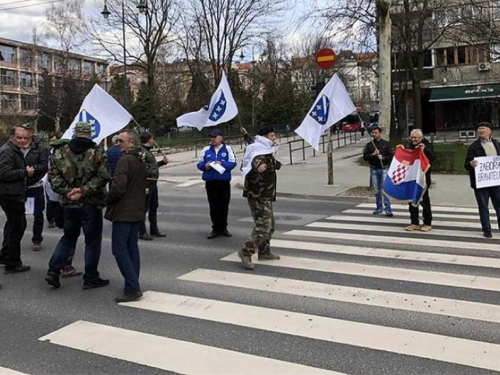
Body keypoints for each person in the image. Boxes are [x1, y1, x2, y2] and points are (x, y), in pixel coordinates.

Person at [45, 121, 111, 289]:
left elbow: (53, 177)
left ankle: (53, 272)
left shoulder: (60, 152)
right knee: (92, 241)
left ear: (75, 133)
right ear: (90, 134)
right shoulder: (97, 152)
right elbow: (103, 177)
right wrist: (83, 191)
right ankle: (90, 277)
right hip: (91, 203)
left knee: (68, 238)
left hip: (69, 204)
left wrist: (68, 191)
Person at [105, 130, 147, 303]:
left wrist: (105, 200)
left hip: (124, 211)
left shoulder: (125, 160)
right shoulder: (140, 159)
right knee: (131, 248)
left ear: (131, 143)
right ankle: (133, 283)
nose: (117, 143)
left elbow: (118, 187)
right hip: (137, 209)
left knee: (119, 249)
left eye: (120, 140)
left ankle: (132, 287)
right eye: (117, 140)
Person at [238, 125, 282, 270]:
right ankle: (245, 251)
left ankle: (264, 252)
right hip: (258, 195)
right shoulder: (259, 153)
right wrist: (259, 166)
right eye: (271, 136)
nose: (274, 138)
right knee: (264, 226)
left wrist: (245, 135)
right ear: (264, 138)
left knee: (270, 225)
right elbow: (256, 160)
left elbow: (252, 143)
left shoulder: (263, 148)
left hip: (265, 194)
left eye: (274, 136)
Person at [0, 126, 32, 274]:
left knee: (15, 225)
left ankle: (5, 255)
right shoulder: (7, 151)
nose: (22, 140)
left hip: (14, 193)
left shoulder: (13, 150)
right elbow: (4, 173)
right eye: (19, 137)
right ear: (12, 137)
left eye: (25, 138)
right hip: (10, 195)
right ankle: (12, 262)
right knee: (16, 228)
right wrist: (24, 172)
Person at [197, 129, 237, 239]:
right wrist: (205, 166)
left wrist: (222, 163)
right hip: (211, 181)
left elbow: (233, 163)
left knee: (223, 205)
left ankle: (223, 227)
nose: (212, 139)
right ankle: (215, 228)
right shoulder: (206, 150)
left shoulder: (227, 149)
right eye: (211, 137)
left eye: (215, 137)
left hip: (223, 181)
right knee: (213, 206)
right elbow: (199, 163)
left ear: (221, 138)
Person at [464, 122, 500, 238]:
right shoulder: (474, 147)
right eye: (479, 128)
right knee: (483, 206)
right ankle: (487, 229)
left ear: (489, 131)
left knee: (498, 205)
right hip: (481, 183)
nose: (480, 130)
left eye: (483, 128)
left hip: (495, 181)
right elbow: (466, 165)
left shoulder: (497, 144)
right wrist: (471, 163)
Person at [21, 124, 49, 252]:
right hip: (20, 185)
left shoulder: (40, 149)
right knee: (18, 214)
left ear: (31, 133)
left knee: (38, 213)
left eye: (26, 131)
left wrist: (33, 170)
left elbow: (44, 165)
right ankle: (15, 237)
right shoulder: (15, 147)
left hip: (35, 185)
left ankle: (37, 239)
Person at [139, 131, 169, 240]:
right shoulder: (142, 152)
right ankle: (141, 231)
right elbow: (141, 168)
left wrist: (162, 163)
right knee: (144, 207)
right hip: (146, 182)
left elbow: (151, 166)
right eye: (152, 139)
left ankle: (154, 229)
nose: (153, 141)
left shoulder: (148, 151)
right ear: (149, 140)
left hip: (153, 182)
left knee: (154, 206)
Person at [405, 129, 435, 232]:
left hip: (423, 178)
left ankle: (427, 222)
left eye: (415, 138)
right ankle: (414, 222)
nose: (413, 139)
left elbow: (432, 158)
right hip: (412, 178)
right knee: (412, 201)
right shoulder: (410, 146)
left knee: (424, 200)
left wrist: (424, 150)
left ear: (420, 138)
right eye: (412, 137)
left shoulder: (427, 145)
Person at [363, 125, 393, 217]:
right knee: (377, 190)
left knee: (385, 189)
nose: (374, 134)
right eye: (373, 133)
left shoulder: (386, 144)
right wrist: (372, 154)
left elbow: (391, 156)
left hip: (384, 169)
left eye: (376, 132)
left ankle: (388, 208)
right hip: (374, 169)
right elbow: (365, 157)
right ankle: (379, 207)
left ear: (380, 133)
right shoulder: (369, 145)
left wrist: (383, 157)